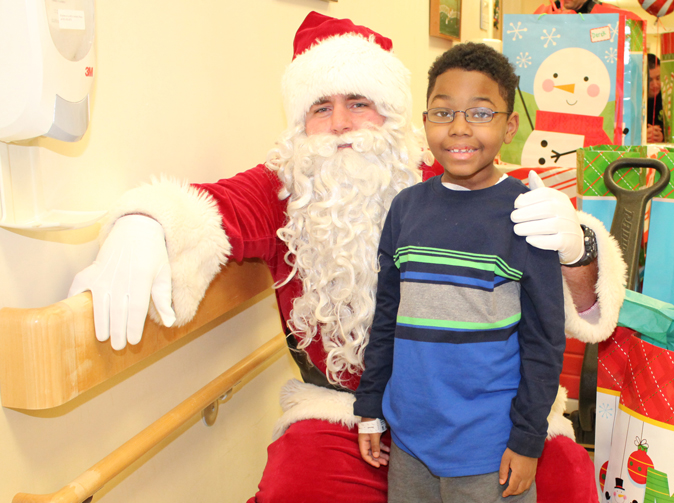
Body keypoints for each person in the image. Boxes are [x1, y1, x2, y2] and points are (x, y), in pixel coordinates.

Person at [68, 11, 626, 503]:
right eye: (320, 107)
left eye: (359, 104)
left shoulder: (451, 172)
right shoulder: (287, 188)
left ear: (393, 115)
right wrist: (145, 222)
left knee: (567, 484)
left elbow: (572, 310)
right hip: (344, 413)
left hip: (482, 407)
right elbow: (210, 206)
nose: (339, 125)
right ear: (298, 123)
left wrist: (581, 246)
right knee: (297, 487)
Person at [355, 42, 567, 503]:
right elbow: (386, 317)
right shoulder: (406, 208)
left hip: (490, 449)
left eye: (480, 113)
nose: (459, 129)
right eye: (443, 112)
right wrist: (370, 408)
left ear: (510, 125)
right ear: (425, 121)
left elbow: (544, 338)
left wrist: (527, 439)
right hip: (410, 442)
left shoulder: (527, 215)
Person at [647, 54, 664, 143]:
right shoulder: (634, 99)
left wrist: (662, 137)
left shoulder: (667, 98)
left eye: (658, 78)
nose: (655, 84)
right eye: (650, 80)